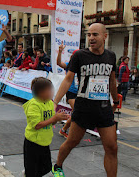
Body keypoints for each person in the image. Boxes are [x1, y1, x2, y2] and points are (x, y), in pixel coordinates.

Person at [51, 23, 119, 177]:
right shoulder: (80, 55)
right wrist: (55, 102)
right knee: (72, 142)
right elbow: (68, 80)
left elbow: (112, 80)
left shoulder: (111, 56)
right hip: (83, 107)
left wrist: (115, 100)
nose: (91, 38)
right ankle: (57, 166)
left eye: (95, 34)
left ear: (105, 36)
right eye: (89, 35)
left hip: (103, 108)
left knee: (112, 147)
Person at [23, 77, 69, 177]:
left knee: (46, 167)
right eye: (49, 90)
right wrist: (54, 119)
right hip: (33, 143)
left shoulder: (50, 103)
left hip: (44, 141)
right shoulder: (33, 105)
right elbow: (37, 125)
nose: (52, 92)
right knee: (32, 171)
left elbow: (50, 123)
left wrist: (57, 119)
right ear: (40, 92)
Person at [56, 43, 79, 138]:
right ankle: (64, 130)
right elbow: (59, 63)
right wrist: (60, 52)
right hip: (71, 92)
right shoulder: (69, 65)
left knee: (77, 113)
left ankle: (66, 129)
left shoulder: (83, 67)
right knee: (77, 111)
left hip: (80, 92)